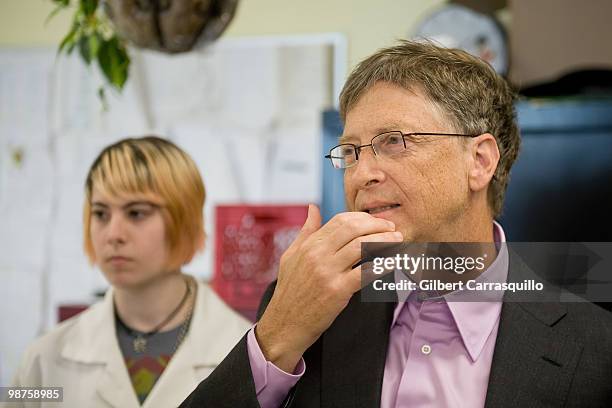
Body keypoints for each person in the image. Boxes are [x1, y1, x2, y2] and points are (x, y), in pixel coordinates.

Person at [179, 41, 612, 407]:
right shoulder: (309, 307)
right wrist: (275, 337)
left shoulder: (597, 347)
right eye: (351, 151)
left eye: (393, 142)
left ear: (479, 161)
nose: (362, 173)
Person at [11, 136, 250, 407]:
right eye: (101, 214)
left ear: (185, 220)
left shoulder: (246, 355)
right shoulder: (42, 360)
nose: (113, 234)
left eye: (136, 213)